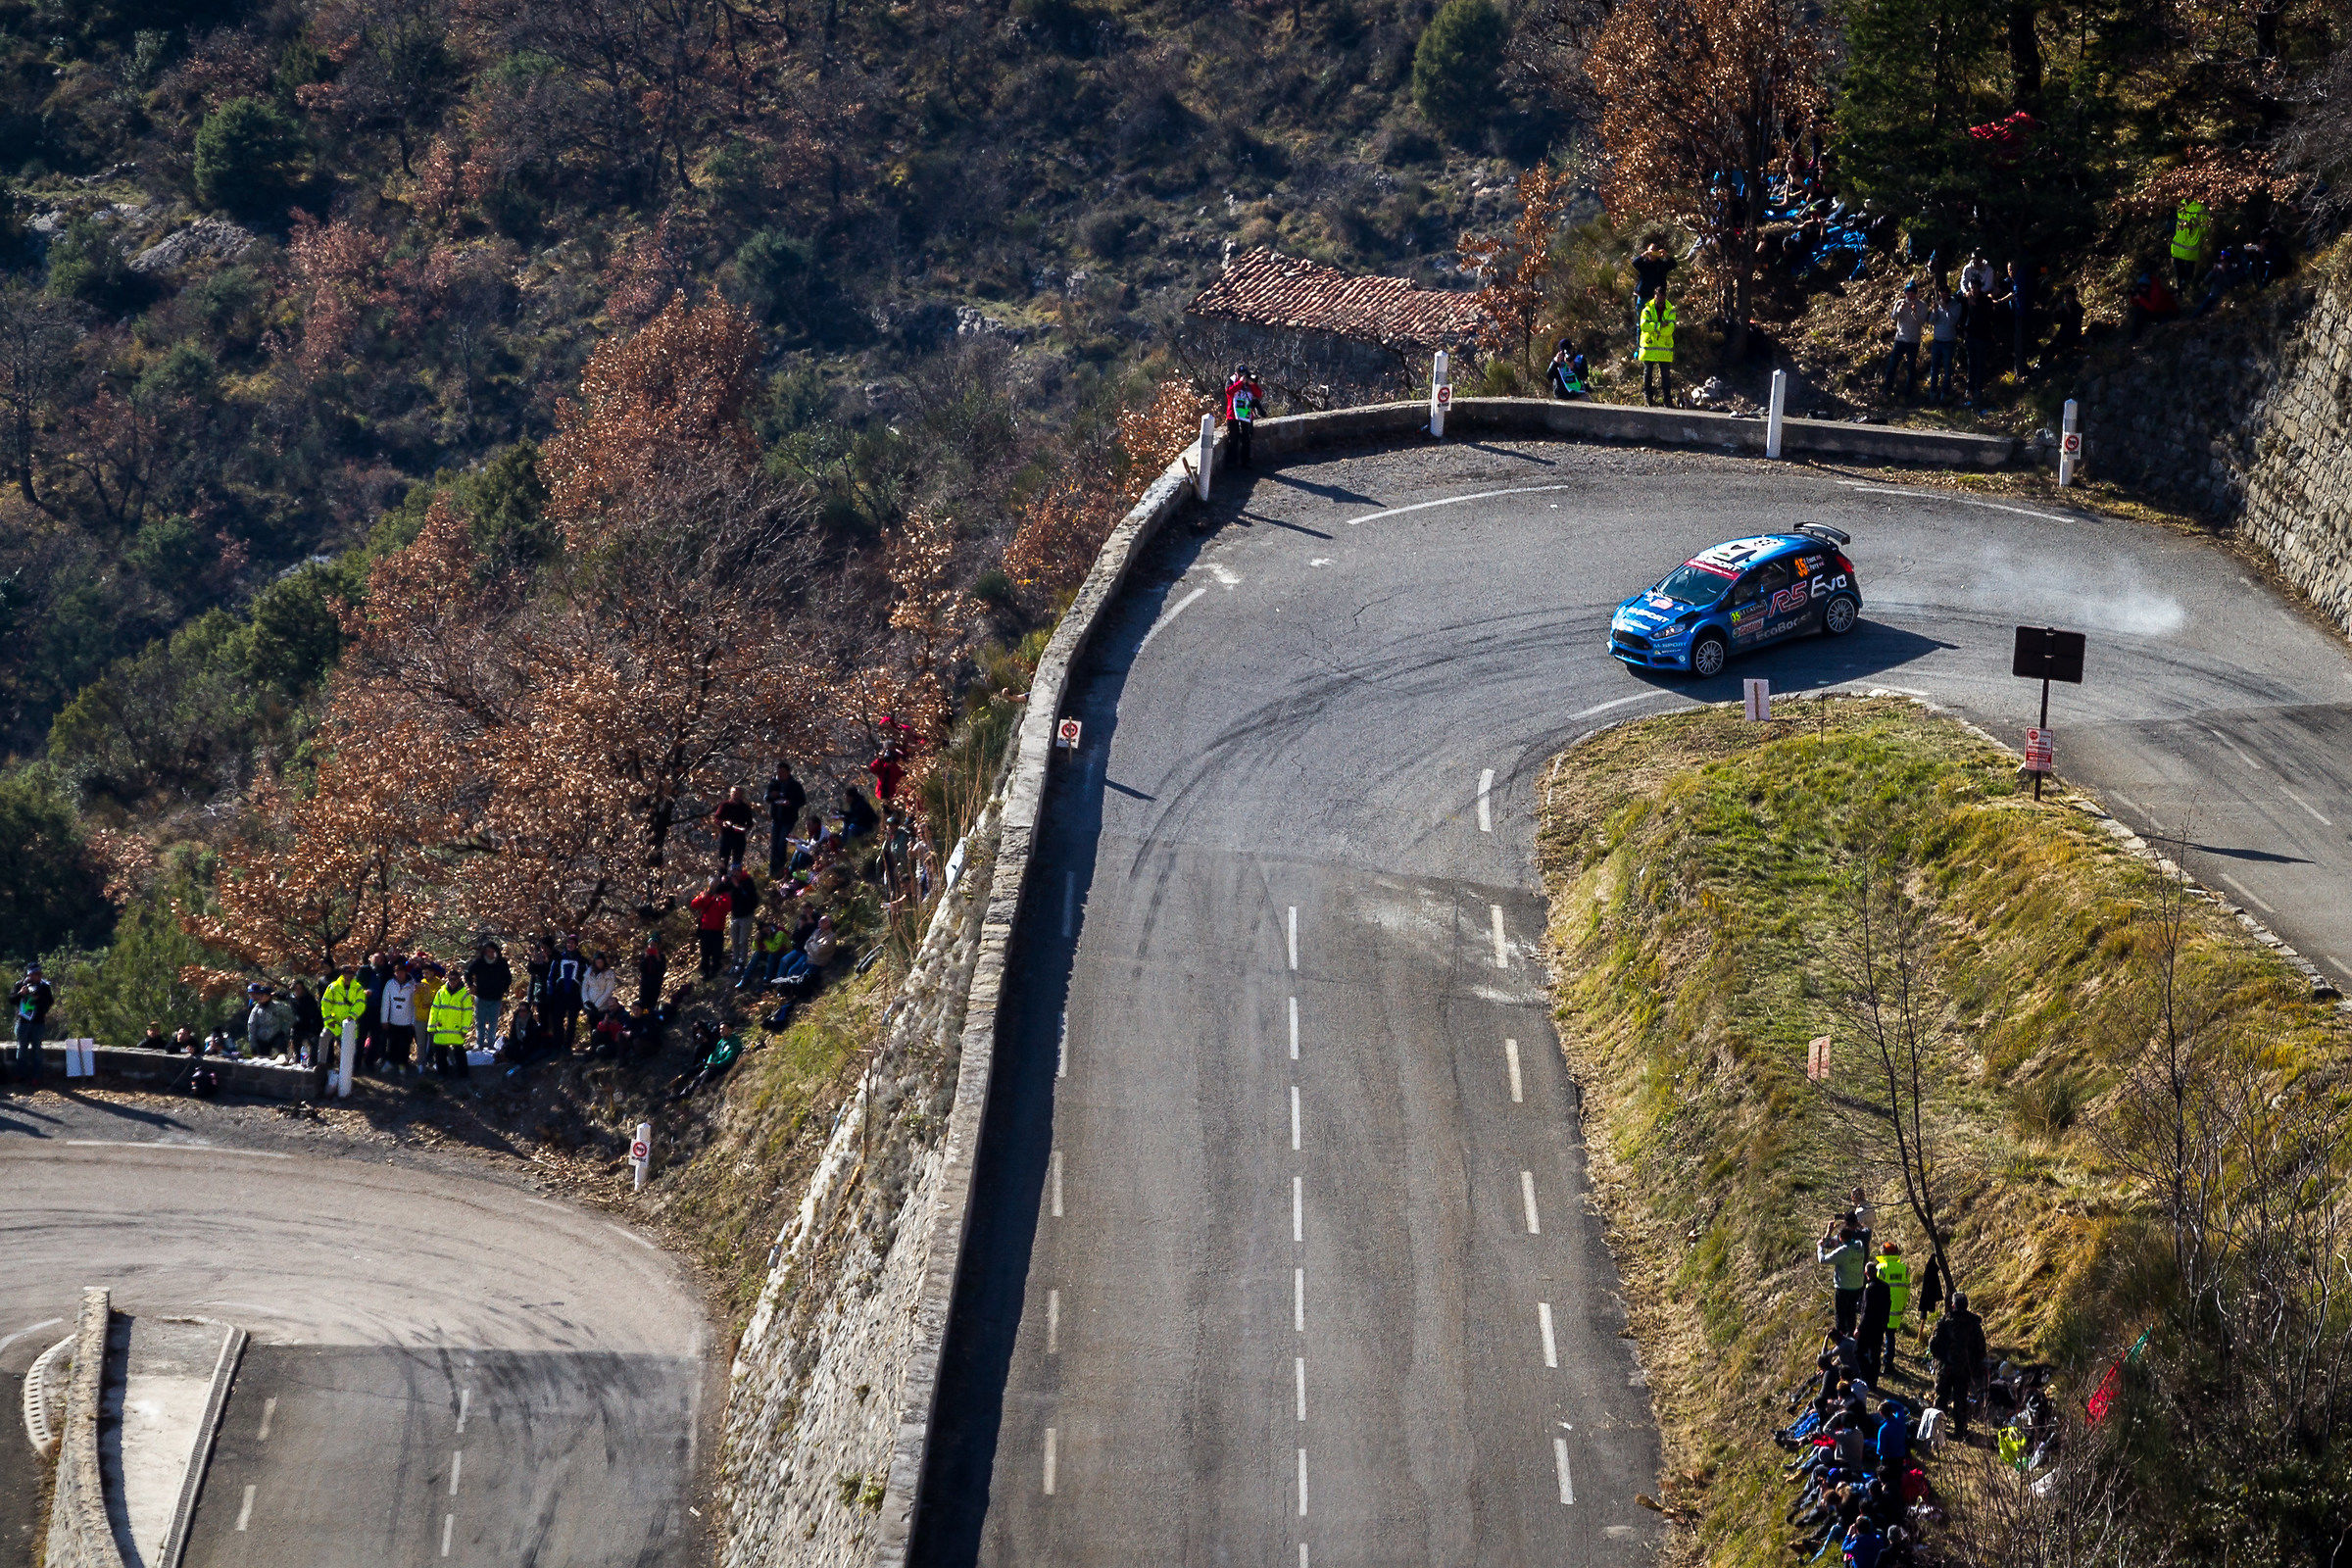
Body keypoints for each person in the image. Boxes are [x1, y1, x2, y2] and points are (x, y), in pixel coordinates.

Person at [1930, 1291, 1987, 1440]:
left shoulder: (1944, 1321)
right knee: (1960, 1399)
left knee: (1942, 1397)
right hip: (1964, 1369)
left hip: (1946, 1367)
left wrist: (1940, 1359)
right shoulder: (1974, 1323)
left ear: (1953, 1305)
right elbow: (1981, 1348)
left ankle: (1938, 1429)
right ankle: (1960, 1431)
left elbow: (1933, 1344)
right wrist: (1974, 1364)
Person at [1820, 1222, 1869, 1338]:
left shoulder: (1842, 1251)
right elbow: (1863, 1232)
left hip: (1843, 1287)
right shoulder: (1859, 1246)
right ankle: (1851, 1336)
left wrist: (1819, 1247)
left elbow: (1822, 1260)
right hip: (1857, 1285)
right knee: (1851, 1313)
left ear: (1841, 1238)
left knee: (1840, 1315)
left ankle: (1841, 1339)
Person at [424, 964, 473, 1077]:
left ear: (459, 980)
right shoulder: (441, 993)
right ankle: (442, 1075)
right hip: (441, 1028)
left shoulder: (464, 995)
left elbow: (468, 1012)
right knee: (440, 1054)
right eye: (450, 979)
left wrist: (465, 1028)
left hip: (456, 1030)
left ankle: (463, 1075)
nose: (452, 982)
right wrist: (431, 1026)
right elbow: (434, 1009)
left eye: (454, 979)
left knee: (459, 1053)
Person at [464, 941, 511, 1054]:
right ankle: (479, 1044)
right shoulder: (479, 962)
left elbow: (508, 978)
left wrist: (503, 989)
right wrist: (470, 984)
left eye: (492, 951)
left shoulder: (501, 963)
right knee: (480, 1022)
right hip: (481, 996)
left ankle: (491, 1044)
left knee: (493, 1022)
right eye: (488, 951)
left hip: (496, 997)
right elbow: (467, 973)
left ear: (496, 952)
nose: (490, 953)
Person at [10, 962, 53, 1083]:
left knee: (37, 1050)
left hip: (38, 1023)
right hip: (22, 1022)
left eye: (39, 974)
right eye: (35, 974)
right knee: (21, 1049)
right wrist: (20, 994)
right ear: (29, 975)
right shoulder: (19, 985)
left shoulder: (44, 987)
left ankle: (36, 1077)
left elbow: (50, 1002)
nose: (38, 976)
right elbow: (11, 1000)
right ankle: (20, 1075)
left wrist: (38, 1000)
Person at [321, 960, 368, 1069]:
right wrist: (329, 1020)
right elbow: (325, 1003)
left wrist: (352, 1016)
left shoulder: (358, 988)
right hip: (334, 1023)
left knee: (349, 1050)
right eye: (346, 973)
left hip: (349, 1025)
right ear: (342, 974)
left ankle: (349, 1071)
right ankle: (322, 1065)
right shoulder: (333, 987)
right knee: (323, 1037)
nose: (349, 975)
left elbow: (360, 1004)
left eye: (351, 973)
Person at [764, 761, 807, 877]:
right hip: (776, 818)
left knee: (782, 843)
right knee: (774, 844)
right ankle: (772, 871)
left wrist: (790, 803)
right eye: (778, 772)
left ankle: (781, 869)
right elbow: (766, 798)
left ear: (788, 772)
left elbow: (802, 800)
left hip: (788, 819)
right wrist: (772, 796)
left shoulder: (795, 785)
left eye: (782, 772)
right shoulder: (774, 784)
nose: (780, 775)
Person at [1883, 282, 1922, 400]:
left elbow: (1921, 321)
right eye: (1908, 293)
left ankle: (1908, 394)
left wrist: (1915, 312)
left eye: (1912, 293)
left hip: (1913, 340)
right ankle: (1887, 390)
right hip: (1900, 339)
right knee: (1892, 365)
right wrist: (1899, 310)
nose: (1909, 295)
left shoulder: (1922, 305)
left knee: (1911, 367)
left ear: (1916, 294)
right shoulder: (1900, 302)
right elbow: (1893, 317)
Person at [1856, 1258, 1892, 1386]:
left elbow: (1866, 1311)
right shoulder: (1885, 1286)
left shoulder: (1869, 1289)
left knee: (1859, 1352)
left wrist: (1859, 1328)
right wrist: (1885, 1322)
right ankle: (1873, 1382)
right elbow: (1888, 1304)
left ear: (1866, 1273)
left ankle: (1865, 1378)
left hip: (1868, 1327)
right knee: (1875, 1354)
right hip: (1881, 1325)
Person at [379, 959, 418, 1074]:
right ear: (394, 973)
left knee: (405, 1044)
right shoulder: (389, 984)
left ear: (405, 972)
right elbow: (385, 1003)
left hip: (407, 1021)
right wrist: (384, 1020)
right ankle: (390, 1062)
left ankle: (403, 1064)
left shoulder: (412, 985)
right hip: (392, 1020)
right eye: (397, 972)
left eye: (401, 972)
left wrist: (413, 1021)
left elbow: (415, 1004)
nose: (399, 974)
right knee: (392, 1043)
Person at [1638, 293, 1678, 407]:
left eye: (1661, 301)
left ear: (1665, 298)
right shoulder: (1647, 310)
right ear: (1654, 297)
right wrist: (1660, 326)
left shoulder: (1670, 310)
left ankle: (1667, 400)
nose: (1659, 304)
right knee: (1647, 374)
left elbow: (1669, 330)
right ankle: (1648, 398)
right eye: (1657, 301)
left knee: (1665, 375)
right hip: (1649, 347)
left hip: (1664, 349)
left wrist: (1653, 328)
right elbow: (1644, 326)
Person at [1876, 1243, 1910, 1370]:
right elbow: (1907, 1290)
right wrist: (1903, 1305)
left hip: (1881, 1309)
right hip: (1896, 1309)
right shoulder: (1904, 1269)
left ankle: (1874, 1361)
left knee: (1878, 1336)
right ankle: (1888, 1364)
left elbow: (1873, 1289)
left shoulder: (1880, 1268)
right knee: (1890, 1336)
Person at [549, 934, 586, 1051]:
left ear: (576, 945)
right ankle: (557, 1044)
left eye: (572, 943)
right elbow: (551, 977)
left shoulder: (582, 960)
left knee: (572, 1022)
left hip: (575, 994)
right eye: (568, 943)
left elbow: (586, 980)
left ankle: (568, 1046)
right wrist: (550, 993)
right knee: (557, 1020)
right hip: (560, 993)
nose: (570, 945)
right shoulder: (558, 959)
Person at [1925, 284, 1962, 404]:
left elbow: (1953, 321)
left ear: (1949, 293)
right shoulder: (1938, 305)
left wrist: (1945, 308)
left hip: (1948, 342)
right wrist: (1935, 310)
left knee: (1947, 369)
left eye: (1945, 293)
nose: (1943, 295)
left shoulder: (1956, 305)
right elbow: (1931, 321)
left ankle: (1944, 393)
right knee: (1934, 368)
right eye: (1941, 293)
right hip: (1937, 341)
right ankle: (1932, 392)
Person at [691, 876, 731, 978]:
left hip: (718, 929)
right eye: (713, 883)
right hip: (705, 929)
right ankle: (705, 973)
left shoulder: (724, 895)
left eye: (716, 883)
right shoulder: (705, 894)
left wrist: (720, 900)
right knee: (705, 953)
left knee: (717, 953)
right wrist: (702, 898)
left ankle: (715, 972)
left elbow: (728, 907)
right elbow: (694, 904)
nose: (714, 884)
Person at [1224, 365, 1263, 469]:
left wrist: (1252, 384)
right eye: (1241, 374)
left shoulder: (1249, 383)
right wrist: (1240, 383)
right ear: (1236, 373)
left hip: (1246, 414)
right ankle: (1232, 461)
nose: (1243, 376)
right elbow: (1229, 391)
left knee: (1246, 438)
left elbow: (1259, 394)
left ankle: (1245, 461)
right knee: (1233, 438)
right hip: (1233, 414)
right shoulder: (1231, 381)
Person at [2170, 197, 2211, 291]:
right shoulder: (2186, 205)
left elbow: (2205, 227)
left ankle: (2184, 292)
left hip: (2184, 248)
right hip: (2185, 248)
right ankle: (2185, 292)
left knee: (2182, 276)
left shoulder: (2187, 205)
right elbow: (2205, 228)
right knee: (2185, 276)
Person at [725, 865, 760, 971]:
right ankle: (735, 962)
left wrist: (737, 886)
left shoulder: (748, 881)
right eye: (732, 872)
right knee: (735, 941)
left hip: (746, 916)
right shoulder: (732, 882)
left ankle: (742, 963)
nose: (734, 874)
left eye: (735, 872)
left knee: (743, 941)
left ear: (740, 872)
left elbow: (749, 897)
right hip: (735, 915)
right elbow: (728, 894)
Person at [2127, 272, 2181, 340]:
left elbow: (2153, 307)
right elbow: (2136, 304)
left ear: (2148, 286)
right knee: (2139, 311)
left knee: (2164, 329)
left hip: (2168, 312)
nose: (2143, 288)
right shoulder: (2142, 291)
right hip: (2158, 312)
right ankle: (2135, 337)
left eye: (2144, 287)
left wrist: (2140, 298)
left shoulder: (2156, 291)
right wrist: (2133, 297)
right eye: (2141, 287)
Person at [1632, 234, 1675, 314]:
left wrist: (1667, 256)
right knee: (1641, 317)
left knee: (1655, 318)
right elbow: (1634, 263)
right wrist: (1643, 255)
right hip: (1643, 295)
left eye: (1655, 250)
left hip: (1657, 297)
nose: (1653, 252)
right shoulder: (1643, 264)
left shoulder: (1662, 265)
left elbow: (1674, 264)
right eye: (1651, 250)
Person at [714, 786, 756, 869]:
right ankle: (722, 878)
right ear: (730, 794)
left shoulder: (745, 807)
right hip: (726, 836)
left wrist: (745, 828)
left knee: (737, 861)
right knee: (723, 860)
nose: (735, 795)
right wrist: (723, 823)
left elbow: (750, 823)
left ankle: (735, 879)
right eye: (733, 793)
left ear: (741, 795)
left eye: (737, 793)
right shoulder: (724, 805)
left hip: (739, 837)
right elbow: (716, 818)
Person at [246, 983, 288, 1061]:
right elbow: (251, 1024)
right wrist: (253, 1045)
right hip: (260, 1033)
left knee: (281, 1043)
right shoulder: (253, 1003)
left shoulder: (270, 1000)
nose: (252, 996)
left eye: (254, 993)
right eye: (250, 994)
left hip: (275, 1032)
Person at [582, 952, 618, 1016]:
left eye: (600, 962)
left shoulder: (609, 973)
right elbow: (584, 988)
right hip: (589, 1005)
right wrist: (586, 1001)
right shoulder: (589, 971)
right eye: (597, 962)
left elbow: (608, 991)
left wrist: (596, 1005)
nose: (599, 964)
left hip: (603, 1007)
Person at [638, 931, 668, 1010]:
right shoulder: (644, 956)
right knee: (643, 1002)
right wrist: (645, 958)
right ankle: (644, 1016)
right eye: (650, 945)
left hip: (655, 983)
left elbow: (662, 969)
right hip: (645, 983)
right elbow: (641, 969)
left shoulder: (661, 956)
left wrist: (658, 958)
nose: (652, 947)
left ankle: (651, 1016)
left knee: (652, 1002)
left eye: (654, 945)